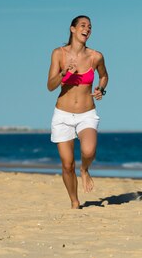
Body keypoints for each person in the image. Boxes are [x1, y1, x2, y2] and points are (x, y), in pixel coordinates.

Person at [47, 15, 108, 209]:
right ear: (73, 29)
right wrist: (64, 74)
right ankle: (74, 201)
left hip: (86, 113)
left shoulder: (95, 56)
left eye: (90, 27)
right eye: (83, 25)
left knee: (89, 150)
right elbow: (50, 86)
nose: (87, 29)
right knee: (67, 165)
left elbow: (104, 76)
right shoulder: (59, 54)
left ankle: (85, 169)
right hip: (63, 114)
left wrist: (100, 88)